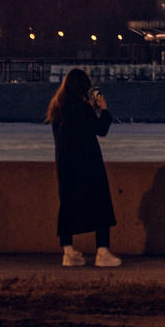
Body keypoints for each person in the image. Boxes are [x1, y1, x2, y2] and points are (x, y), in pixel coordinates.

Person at [46, 67, 122, 267]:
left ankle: (68, 252)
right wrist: (103, 109)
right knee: (101, 206)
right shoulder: (82, 108)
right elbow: (100, 130)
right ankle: (102, 253)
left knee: (68, 208)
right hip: (88, 166)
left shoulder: (58, 109)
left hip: (66, 168)